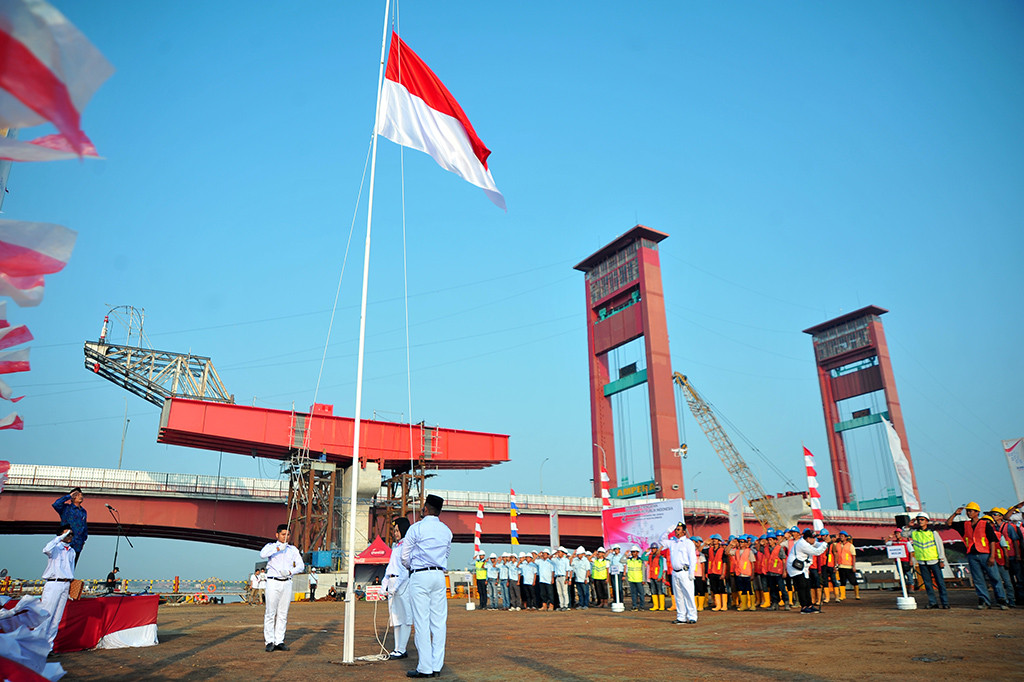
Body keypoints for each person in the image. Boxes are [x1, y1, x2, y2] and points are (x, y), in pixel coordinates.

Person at [401, 494, 453, 679]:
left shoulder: (416, 528)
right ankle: (437, 665)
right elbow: (446, 553)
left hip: (420, 575)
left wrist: (411, 567)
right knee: (439, 622)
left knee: (421, 621)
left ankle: (425, 667)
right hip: (439, 575)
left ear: (425, 509)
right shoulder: (447, 531)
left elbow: (404, 556)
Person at [944, 502, 1009, 609]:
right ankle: (984, 600)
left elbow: (992, 541)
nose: (969, 513)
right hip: (972, 555)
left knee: (995, 577)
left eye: (971, 511)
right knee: (978, 579)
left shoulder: (985, 524)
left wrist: (992, 556)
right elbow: (948, 524)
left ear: (977, 512)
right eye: (967, 511)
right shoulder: (964, 525)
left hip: (985, 554)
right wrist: (955, 514)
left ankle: (1001, 600)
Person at [259, 523, 304, 652]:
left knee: (283, 613)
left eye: (288, 534)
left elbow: (300, 566)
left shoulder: (292, 549)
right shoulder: (271, 546)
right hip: (273, 582)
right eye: (283, 534)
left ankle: (279, 640)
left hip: (287, 581)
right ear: (277, 535)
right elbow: (262, 554)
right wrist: (278, 548)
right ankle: (269, 641)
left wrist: (290, 572)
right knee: (270, 612)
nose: (286, 537)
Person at [40, 525, 75, 653]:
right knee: (46, 616)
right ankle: (38, 646)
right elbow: (46, 549)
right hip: (53, 583)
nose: (70, 536)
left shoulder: (72, 551)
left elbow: (71, 569)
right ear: (60, 535)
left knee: (56, 619)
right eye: (67, 534)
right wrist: (60, 538)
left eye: (71, 534)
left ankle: (48, 647)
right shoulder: (55, 548)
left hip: (65, 584)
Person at [384, 517, 412, 660]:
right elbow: (390, 567)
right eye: (394, 531)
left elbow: (405, 570)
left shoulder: (407, 546)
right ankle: (397, 648)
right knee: (395, 618)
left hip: (403, 584)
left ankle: (402, 648)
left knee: (405, 617)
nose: (395, 533)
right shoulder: (396, 547)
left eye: (397, 530)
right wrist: (384, 583)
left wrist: (396, 586)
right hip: (393, 582)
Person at [907, 512, 949, 609]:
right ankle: (932, 602)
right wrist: (909, 525)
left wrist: (941, 560)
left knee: (940, 583)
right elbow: (903, 533)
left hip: (934, 561)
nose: (920, 521)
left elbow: (939, 546)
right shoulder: (914, 532)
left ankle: (945, 602)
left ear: (927, 521)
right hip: (922, 561)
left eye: (922, 519)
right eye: (918, 520)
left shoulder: (933, 533)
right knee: (927, 584)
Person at [662, 521, 698, 624]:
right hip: (675, 572)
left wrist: (691, 572)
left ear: (684, 532)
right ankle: (681, 616)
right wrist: (667, 531)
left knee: (689, 594)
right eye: (675, 530)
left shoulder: (688, 543)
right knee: (678, 596)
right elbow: (661, 541)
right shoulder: (673, 542)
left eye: (678, 529)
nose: (676, 531)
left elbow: (692, 558)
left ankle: (692, 616)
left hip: (685, 572)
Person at [787, 528, 828, 613]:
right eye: (813, 538)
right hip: (796, 568)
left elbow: (817, 545)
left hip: (803, 568)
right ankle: (804, 607)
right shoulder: (803, 544)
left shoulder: (808, 542)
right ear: (808, 538)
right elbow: (817, 552)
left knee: (807, 586)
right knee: (802, 586)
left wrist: (825, 543)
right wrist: (825, 543)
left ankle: (809, 605)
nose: (815, 540)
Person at [51, 488, 88, 566]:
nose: (80, 497)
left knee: (72, 565)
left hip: (78, 543)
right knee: (63, 564)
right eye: (77, 495)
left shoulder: (83, 511)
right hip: (66, 541)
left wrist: (83, 540)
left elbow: (84, 526)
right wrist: (69, 496)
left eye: (81, 495)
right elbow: (56, 504)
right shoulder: (66, 508)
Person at [835, 531, 859, 601]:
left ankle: (857, 594)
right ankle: (842, 596)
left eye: (842, 536)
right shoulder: (837, 545)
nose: (841, 537)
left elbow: (853, 556)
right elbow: (836, 555)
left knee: (853, 581)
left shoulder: (850, 546)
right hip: (841, 566)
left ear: (846, 537)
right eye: (840, 536)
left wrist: (854, 566)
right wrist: (836, 564)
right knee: (842, 581)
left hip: (849, 566)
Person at [642, 542, 666, 611]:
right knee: (653, 591)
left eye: (654, 548)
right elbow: (643, 558)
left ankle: (662, 606)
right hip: (652, 576)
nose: (653, 550)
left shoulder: (659, 557)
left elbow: (661, 566)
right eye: (652, 548)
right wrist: (645, 551)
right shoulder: (650, 556)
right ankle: (656, 605)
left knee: (659, 591)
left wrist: (660, 576)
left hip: (657, 576)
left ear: (657, 549)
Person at [625, 546, 645, 611]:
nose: (633, 553)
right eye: (632, 552)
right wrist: (626, 555)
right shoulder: (629, 560)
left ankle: (642, 606)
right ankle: (634, 606)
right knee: (633, 594)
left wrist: (643, 579)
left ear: (638, 552)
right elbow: (621, 561)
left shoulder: (641, 560)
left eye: (635, 552)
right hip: (631, 579)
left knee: (641, 593)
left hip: (639, 579)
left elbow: (643, 570)